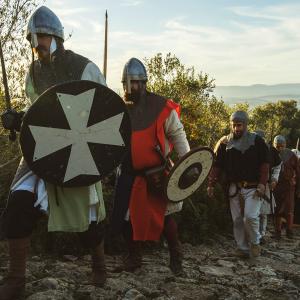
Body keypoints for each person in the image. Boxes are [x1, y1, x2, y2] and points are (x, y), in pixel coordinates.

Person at [0, 6, 107, 300]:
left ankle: (99, 262)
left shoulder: (84, 68)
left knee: (86, 219)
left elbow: (102, 112)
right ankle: (16, 279)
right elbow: (35, 110)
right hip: (43, 148)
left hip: (77, 149)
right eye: (34, 41)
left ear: (55, 36)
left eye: (41, 38)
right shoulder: (34, 72)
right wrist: (18, 117)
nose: (37, 46)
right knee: (18, 204)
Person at [111, 57, 190, 275]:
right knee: (126, 217)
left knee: (164, 218)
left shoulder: (161, 107)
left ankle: (176, 256)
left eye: (136, 82)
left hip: (155, 174)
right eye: (128, 83)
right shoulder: (118, 109)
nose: (132, 87)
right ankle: (134, 258)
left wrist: (187, 162)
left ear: (144, 83)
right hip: (128, 173)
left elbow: (177, 134)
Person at [207, 111, 269, 258]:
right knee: (237, 220)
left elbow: (265, 164)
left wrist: (262, 184)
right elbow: (217, 165)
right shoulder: (225, 143)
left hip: (253, 186)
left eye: (239, 125)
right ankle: (242, 248)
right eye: (234, 125)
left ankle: (255, 242)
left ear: (245, 125)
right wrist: (211, 183)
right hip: (234, 187)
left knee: (250, 217)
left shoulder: (257, 142)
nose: (236, 129)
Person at [254, 130, 281, 244]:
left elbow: (278, 165)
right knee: (252, 212)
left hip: (265, 184)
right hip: (250, 184)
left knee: (263, 212)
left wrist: (274, 179)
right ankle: (252, 235)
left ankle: (261, 235)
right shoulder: (247, 148)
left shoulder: (271, 151)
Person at [273, 135, 300, 239]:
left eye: (281, 146)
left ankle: (289, 231)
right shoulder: (271, 154)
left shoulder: (291, 155)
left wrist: (298, 187)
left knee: (289, 209)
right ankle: (278, 232)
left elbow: (298, 171)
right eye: (277, 146)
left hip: (289, 186)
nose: (279, 148)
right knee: (277, 210)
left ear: (285, 145)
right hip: (276, 186)